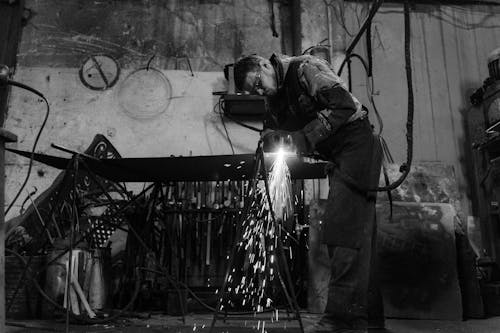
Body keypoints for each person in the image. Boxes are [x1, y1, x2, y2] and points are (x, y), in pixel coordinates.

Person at [233, 54, 385, 333]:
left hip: (357, 142)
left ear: (265, 66)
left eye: (257, 83)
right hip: (337, 154)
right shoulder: (274, 99)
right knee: (360, 236)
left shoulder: (306, 69)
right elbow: (276, 132)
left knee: (343, 230)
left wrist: (300, 139)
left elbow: (343, 106)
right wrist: (271, 137)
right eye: (252, 90)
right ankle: (369, 322)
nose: (259, 91)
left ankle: (340, 321)